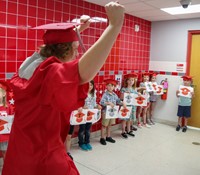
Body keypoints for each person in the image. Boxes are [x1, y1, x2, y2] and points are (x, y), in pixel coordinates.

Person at [2, 2, 125, 175]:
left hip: (22, 143)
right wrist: (114, 26)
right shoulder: (50, 74)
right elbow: (84, 73)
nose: (77, 54)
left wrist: (77, 30)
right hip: (43, 149)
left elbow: (51, 46)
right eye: (74, 49)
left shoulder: (29, 66)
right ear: (63, 50)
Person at [100, 79, 126, 145]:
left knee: (110, 125)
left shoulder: (114, 95)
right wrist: (108, 103)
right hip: (105, 112)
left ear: (114, 87)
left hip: (112, 113)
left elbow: (118, 101)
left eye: (112, 86)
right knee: (104, 125)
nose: (110, 87)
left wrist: (122, 103)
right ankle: (102, 138)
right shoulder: (105, 94)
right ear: (106, 86)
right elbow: (102, 102)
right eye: (109, 85)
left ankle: (108, 136)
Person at [78, 80, 102, 151]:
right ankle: (81, 143)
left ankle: (87, 142)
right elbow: (77, 104)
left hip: (90, 114)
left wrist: (97, 106)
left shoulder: (93, 93)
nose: (89, 87)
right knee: (82, 129)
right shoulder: (82, 93)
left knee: (88, 130)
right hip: (83, 114)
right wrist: (82, 107)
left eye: (91, 85)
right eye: (88, 85)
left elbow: (94, 104)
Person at [120, 74, 138, 138]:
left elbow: (137, 97)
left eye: (132, 80)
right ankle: (123, 131)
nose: (131, 81)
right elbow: (121, 98)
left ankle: (129, 130)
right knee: (124, 119)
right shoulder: (124, 89)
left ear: (134, 81)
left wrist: (140, 94)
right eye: (129, 80)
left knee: (130, 119)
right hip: (125, 106)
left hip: (132, 106)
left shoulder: (134, 90)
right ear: (127, 81)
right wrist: (126, 93)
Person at [0, 86, 9, 162]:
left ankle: (7, 169)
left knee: (5, 153)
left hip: (4, 136)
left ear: (3, 94)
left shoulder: (8, 107)